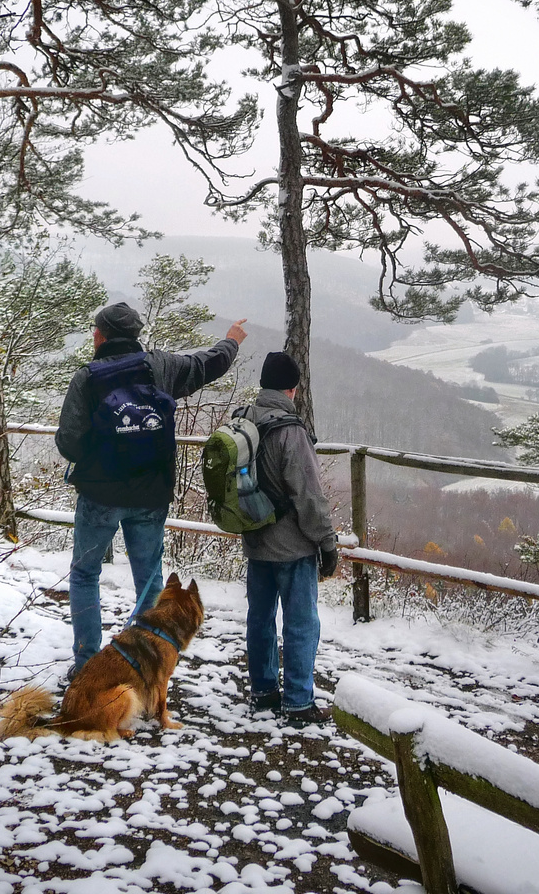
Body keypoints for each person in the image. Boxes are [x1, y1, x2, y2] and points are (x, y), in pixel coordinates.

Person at [55, 303, 247, 678]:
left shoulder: (87, 378)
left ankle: (88, 665)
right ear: (136, 334)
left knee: (84, 575)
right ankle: (143, 662)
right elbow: (209, 364)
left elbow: (69, 444)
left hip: (100, 496)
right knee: (150, 581)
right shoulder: (160, 367)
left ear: (100, 336)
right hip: (151, 493)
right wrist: (231, 341)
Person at [238, 352, 339, 724]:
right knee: (300, 624)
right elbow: (309, 497)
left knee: (260, 619)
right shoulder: (291, 430)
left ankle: (263, 691)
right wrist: (327, 544)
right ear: (293, 389)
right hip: (293, 547)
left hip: (255, 539)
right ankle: (298, 702)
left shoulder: (244, 419)